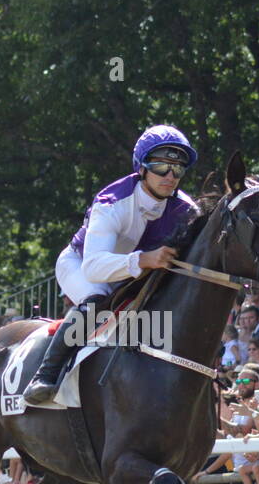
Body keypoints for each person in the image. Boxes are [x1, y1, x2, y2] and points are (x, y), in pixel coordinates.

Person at [24, 125, 199, 403]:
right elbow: (94, 267)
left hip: (132, 275)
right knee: (97, 301)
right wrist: (144, 259)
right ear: (142, 167)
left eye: (178, 169)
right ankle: (45, 375)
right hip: (81, 265)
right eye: (162, 166)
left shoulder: (187, 210)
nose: (170, 176)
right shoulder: (112, 202)